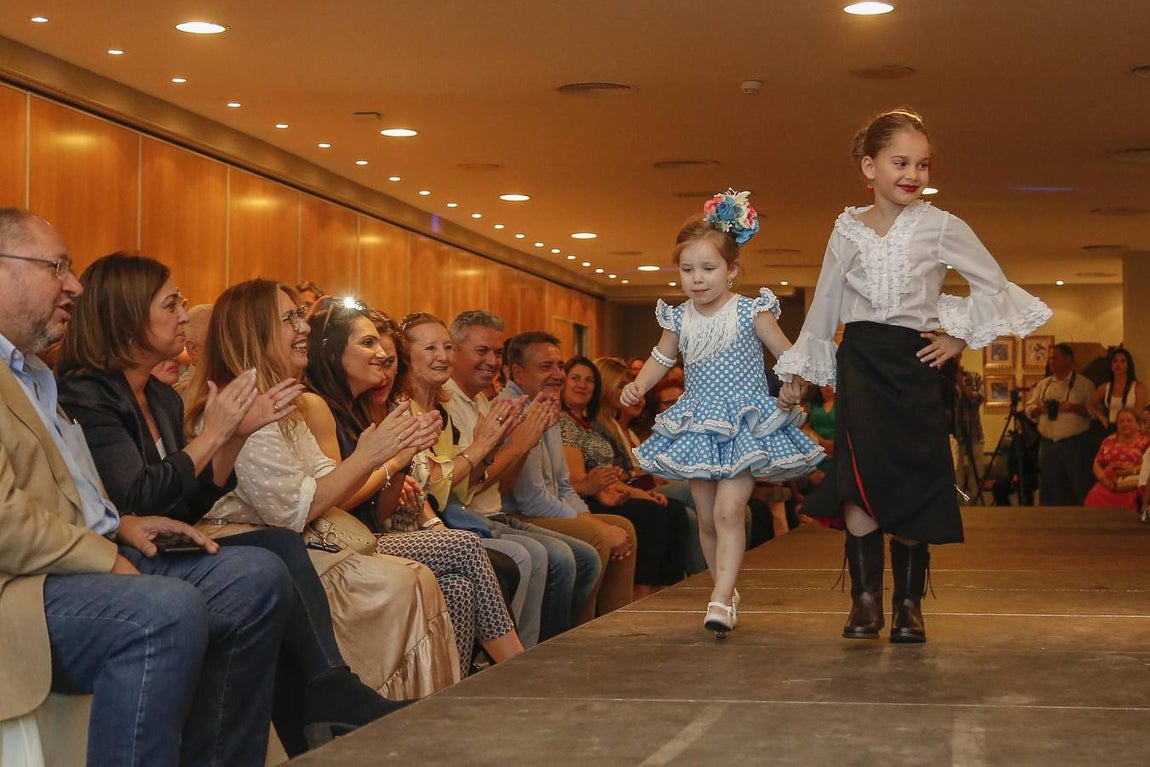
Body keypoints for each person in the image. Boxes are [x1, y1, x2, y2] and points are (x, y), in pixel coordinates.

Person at [55, 254, 412, 756]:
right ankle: (323, 699)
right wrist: (219, 435)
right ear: (127, 314)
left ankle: (322, 699)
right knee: (268, 561)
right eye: (171, 304)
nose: (184, 315)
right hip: (113, 549)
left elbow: (184, 505)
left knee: (275, 556)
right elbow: (134, 499)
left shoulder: (160, 397)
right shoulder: (88, 393)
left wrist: (233, 438)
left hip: (163, 538)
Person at [0, 208, 292, 766]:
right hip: (25, 586)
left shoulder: (35, 375)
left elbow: (73, 492)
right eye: (56, 267)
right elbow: (5, 520)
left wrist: (120, 524)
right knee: (164, 609)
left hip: (88, 553)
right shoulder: (80, 386)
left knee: (258, 575)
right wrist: (105, 552)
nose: (73, 285)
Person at [773, 109, 1052, 644]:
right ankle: (864, 602)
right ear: (869, 167)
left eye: (922, 164)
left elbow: (993, 284)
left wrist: (958, 338)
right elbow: (825, 304)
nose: (913, 174)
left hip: (915, 362)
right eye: (900, 162)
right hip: (860, 360)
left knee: (913, 477)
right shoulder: (846, 228)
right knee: (859, 480)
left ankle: (908, 605)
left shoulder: (942, 225)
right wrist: (801, 374)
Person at [187, 279, 462, 703]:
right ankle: (365, 709)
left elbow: (323, 478)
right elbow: (292, 511)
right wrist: (377, 456)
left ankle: (421, 713)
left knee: (421, 577)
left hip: (301, 541)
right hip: (259, 546)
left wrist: (388, 453)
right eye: (290, 319)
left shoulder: (284, 403)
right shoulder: (240, 404)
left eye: (301, 316)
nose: (304, 328)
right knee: (402, 583)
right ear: (255, 332)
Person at [622, 189, 823, 638]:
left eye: (708, 268)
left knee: (731, 511)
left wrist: (795, 382)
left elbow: (787, 354)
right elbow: (661, 357)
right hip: (697, 424)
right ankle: (724, 591)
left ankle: (719, 596)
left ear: (731, 270)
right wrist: (639, 384)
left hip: (744, 424)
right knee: (708, 515)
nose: (697, 279)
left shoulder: (751, 311)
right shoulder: (679, 317)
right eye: (687, 269)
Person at [304, 303, 524, 674]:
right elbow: (334, 500)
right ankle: (516, 667)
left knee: (457, 587)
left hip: (369, 534)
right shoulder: (319, 405)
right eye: (369, 344)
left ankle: (450, 689)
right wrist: (393, 460)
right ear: (334, 350)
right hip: (335, 545)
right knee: (465, 545)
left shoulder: (358, 408)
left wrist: (403, 458)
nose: (380, 356)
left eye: (387, 354)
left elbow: (378, 510)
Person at [445, 310, 603, 640]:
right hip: (467, 518)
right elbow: (460, 490)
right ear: (454, 351)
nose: (492, 361)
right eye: (482, 351)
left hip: (494, 513)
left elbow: (505, 484)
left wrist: (524, 443)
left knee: (585, 556)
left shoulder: (484, 402)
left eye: (497, 352)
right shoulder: (448, 404)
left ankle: (560, 642)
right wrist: (518, 445)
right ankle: (529, 650)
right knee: (554, 556)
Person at [501, 331, 639, 620]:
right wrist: (594, 526)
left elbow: (563, 486)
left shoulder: (546, 405)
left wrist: (588, 517)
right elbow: (532, 498)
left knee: (621, 526)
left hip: (542, 510)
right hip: (517, 515)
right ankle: (582, 631)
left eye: (560, 366)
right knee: (598, 536)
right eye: (546, 367)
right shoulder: (514, 410)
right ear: (517, 372)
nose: (557, 375)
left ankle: (615, 625)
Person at [561, 355, 690, 597]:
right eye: (576, 378)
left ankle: (668, 590)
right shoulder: (566, 423)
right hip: (585, 498)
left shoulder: (591, 423)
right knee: (652, 511)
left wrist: (635, 490)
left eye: (589, 380)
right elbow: (581, 482)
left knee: (674, 510)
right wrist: (635, 490)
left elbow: (610, 476)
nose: (583, 385)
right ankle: (642, 593)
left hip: (609, 490)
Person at [595, 356, 706, 576]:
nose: (631, 394)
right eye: (621, 386)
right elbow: (621, 473)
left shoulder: (618, 426)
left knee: (700, 505)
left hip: (643, 485)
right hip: (627, 490)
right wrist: (643, 476)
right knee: (695, 490)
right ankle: (707, 576)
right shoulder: (603, 426)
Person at [1024, 343, 1096, 506]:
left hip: (1074, 443)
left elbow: (1094, 412)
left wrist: (1072, 407)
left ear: (1068, 359)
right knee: (1048, 486)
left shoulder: (1084, 384)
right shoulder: (1044, 385)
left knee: (1077, 484)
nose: (1051, 362)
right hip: (1047, 443)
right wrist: (1040, 409)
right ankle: (1048, 519)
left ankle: (1081, 518)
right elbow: (1029, 409)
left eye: (1055, 358)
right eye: (1050, 358)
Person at [1083, 408, 1149, 511]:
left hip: (1130, 481)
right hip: (1108, 480)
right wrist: (1104, 480)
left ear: (1137, 425)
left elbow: (1148, 465)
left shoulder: (1145, 442)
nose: (1125, 424)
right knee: (1094, 494)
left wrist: (1132, 470)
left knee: (1128, 498)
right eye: (1121, 421)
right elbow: (1097, 464)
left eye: (1129, 421)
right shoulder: (1108, 441)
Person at [1087, 348, 1147, 435]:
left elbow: (1139, 413)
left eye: (1122, 361)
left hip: (1130, 428)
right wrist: (1101, 417)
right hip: (1111, 427)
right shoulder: (1106, 387)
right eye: (1115, 361)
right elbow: (1090, 404)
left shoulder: (1138, 387)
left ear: (1128, 365)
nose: (1118, 365)